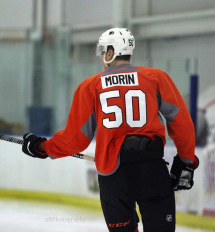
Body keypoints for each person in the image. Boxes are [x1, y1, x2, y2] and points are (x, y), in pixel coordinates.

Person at [22, 28, 199, 232]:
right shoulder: (156, 78)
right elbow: (181, 123)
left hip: (114, 179)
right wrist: (186, 162)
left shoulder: (90, 86)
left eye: (102, 52)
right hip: (152, 172)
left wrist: (42, 147)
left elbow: (75, 140)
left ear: (109, 53)